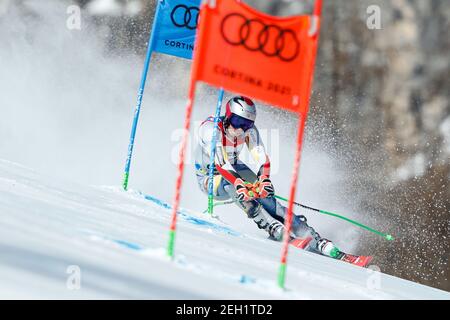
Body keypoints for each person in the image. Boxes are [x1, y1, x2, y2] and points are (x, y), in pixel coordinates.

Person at [194, 96, 341, 258]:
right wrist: (239, 183)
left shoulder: (250, 132)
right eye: (237, 122)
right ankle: (270, 226)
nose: (241, 129)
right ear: (228, 116)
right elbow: (221, 164)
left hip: (235, 166)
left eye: (247, 124)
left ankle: (312, 237)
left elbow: (262, 159)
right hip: (210, 176)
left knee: (265, 195)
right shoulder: (210, 130)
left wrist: (264, 180)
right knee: (235, 187)